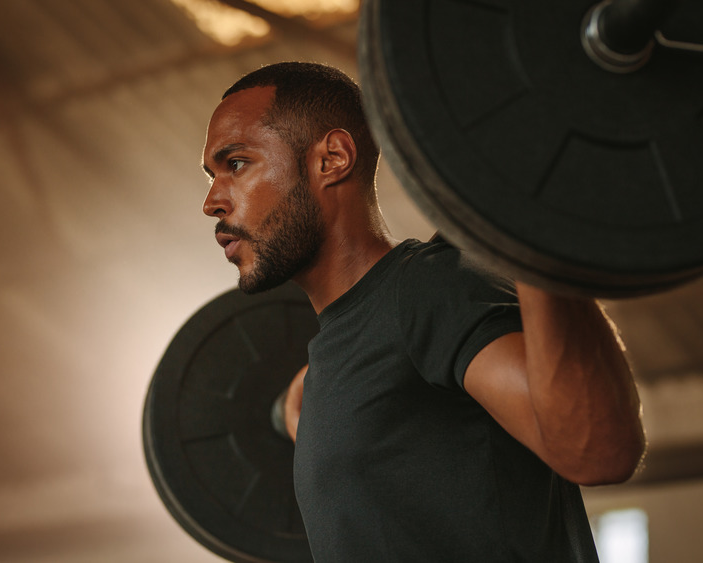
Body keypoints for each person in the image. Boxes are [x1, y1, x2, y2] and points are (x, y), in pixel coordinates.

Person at [202, 62, 645, 562]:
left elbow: (598, 448)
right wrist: (289, 407)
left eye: (236, 163)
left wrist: (530, 217)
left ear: (332, 159)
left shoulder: (429, 291)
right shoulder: (335, 354)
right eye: (212, 175)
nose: (212, 201)